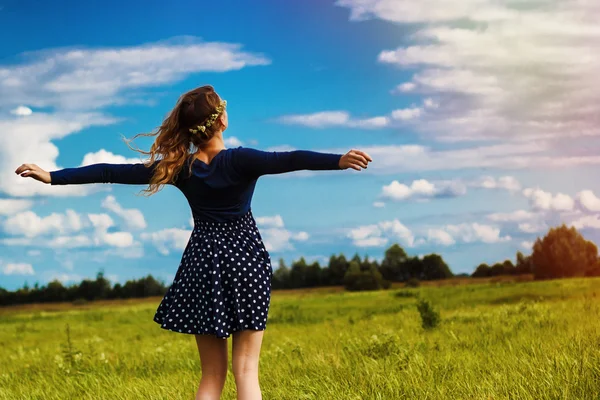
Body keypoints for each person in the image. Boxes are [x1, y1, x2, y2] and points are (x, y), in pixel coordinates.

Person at [14, 85, 372, 400]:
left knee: (211, 376)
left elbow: (110, 171)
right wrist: (337, 161)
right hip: (246, 260)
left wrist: (52, 177)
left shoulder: (179, 168)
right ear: (221, 122)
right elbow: (290, 159)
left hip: (202, 265)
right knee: (246, 370)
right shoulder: (241, 160)